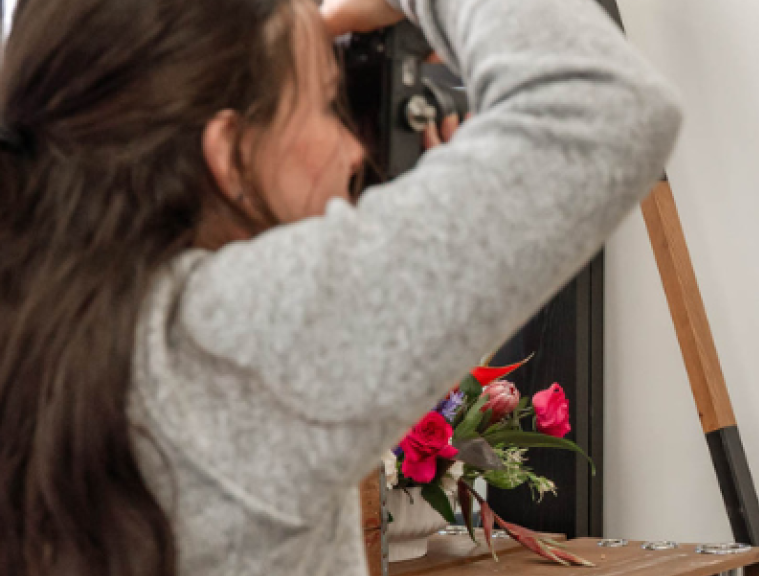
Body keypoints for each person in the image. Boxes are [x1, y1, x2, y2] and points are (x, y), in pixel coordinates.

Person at [0, 0, 681, 574]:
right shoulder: (230, 336)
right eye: (329, 103)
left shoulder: (41, 313)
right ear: (230, 153)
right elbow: (602, 108)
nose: (356, 150)